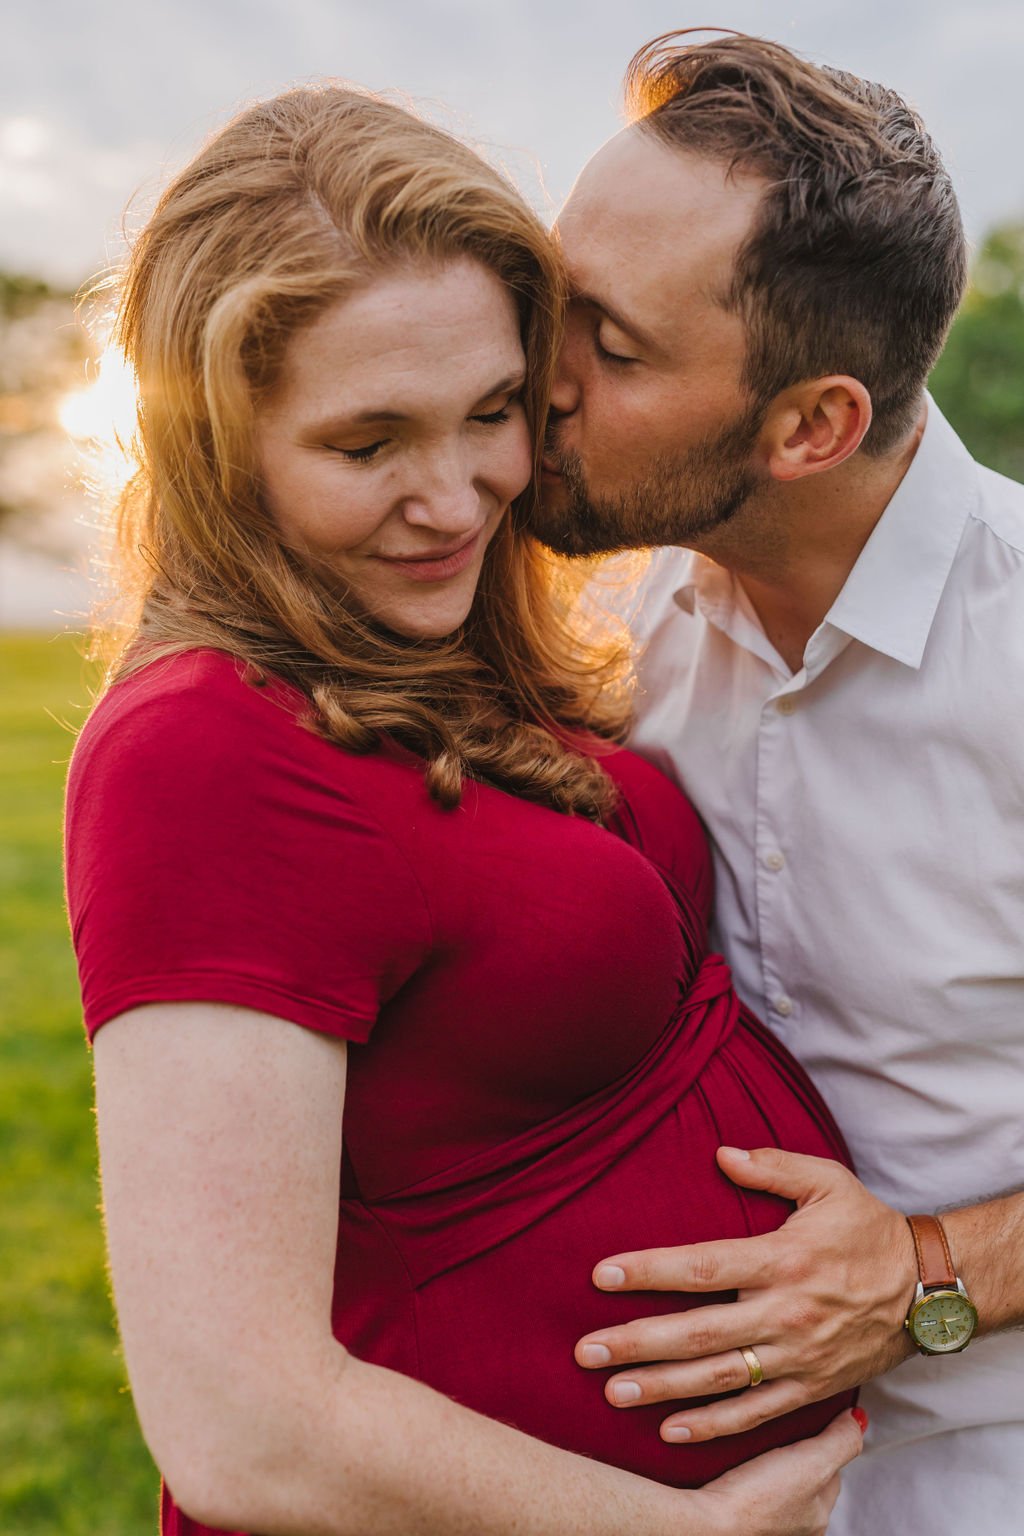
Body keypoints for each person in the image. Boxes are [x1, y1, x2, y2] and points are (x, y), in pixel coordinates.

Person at [63, 84, 866, 1536]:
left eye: (492, 412)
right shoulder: (202, 747)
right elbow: (238, 1424)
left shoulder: (451, 645)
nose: (456, 498)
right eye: (367, 445)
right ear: (215, 448)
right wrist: (678, 1533)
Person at [532, 29, 1024, 1536]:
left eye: (610, 352)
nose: (532, 381)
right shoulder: (596, 626)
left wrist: (926, 1278)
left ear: (812, 425)